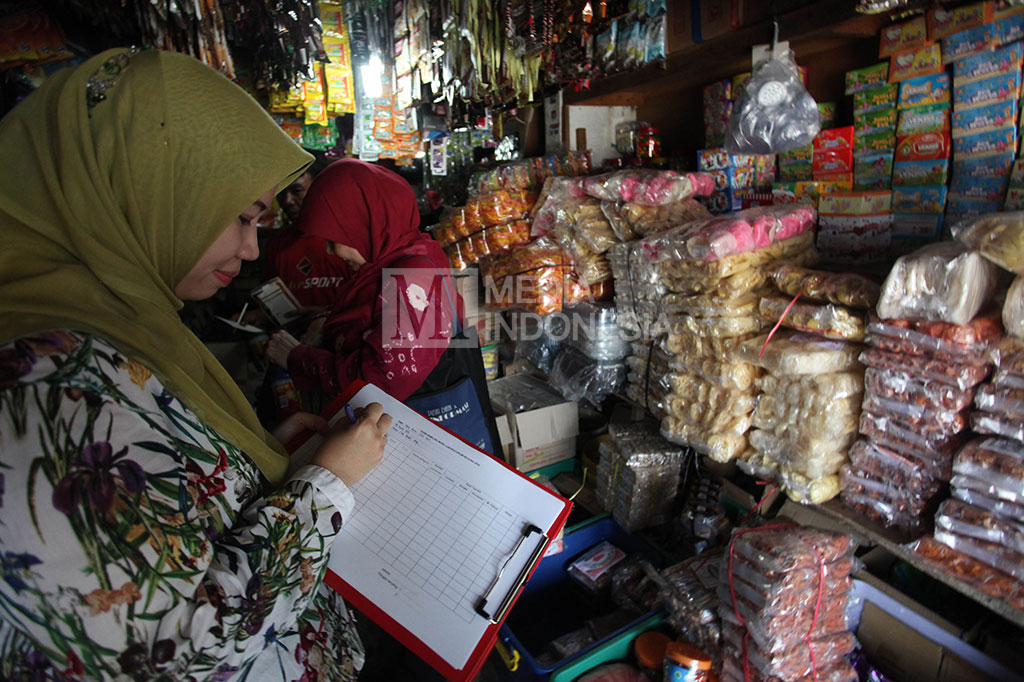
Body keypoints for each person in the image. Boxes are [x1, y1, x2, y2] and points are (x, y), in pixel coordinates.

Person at [0, 48, 390, 681]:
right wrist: (319, 491)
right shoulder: (40, 389)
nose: (251, 245)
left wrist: (245, 464)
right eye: (239, 216)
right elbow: (174, 650)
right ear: (144, 189)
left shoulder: (122, 321)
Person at [265, 159, 502, 454]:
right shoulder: (403, 256)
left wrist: (298, 359)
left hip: (412, 447)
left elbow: (382, 380)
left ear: (365, 223)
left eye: (334, 239)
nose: (331, 251)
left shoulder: (411, 276)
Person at [264, 154, 352, 311]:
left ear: (321, 188)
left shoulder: (351, 244)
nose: (287, 201)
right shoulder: (277, 246)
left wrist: (323, 316)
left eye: (297, 191)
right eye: (282, 192)